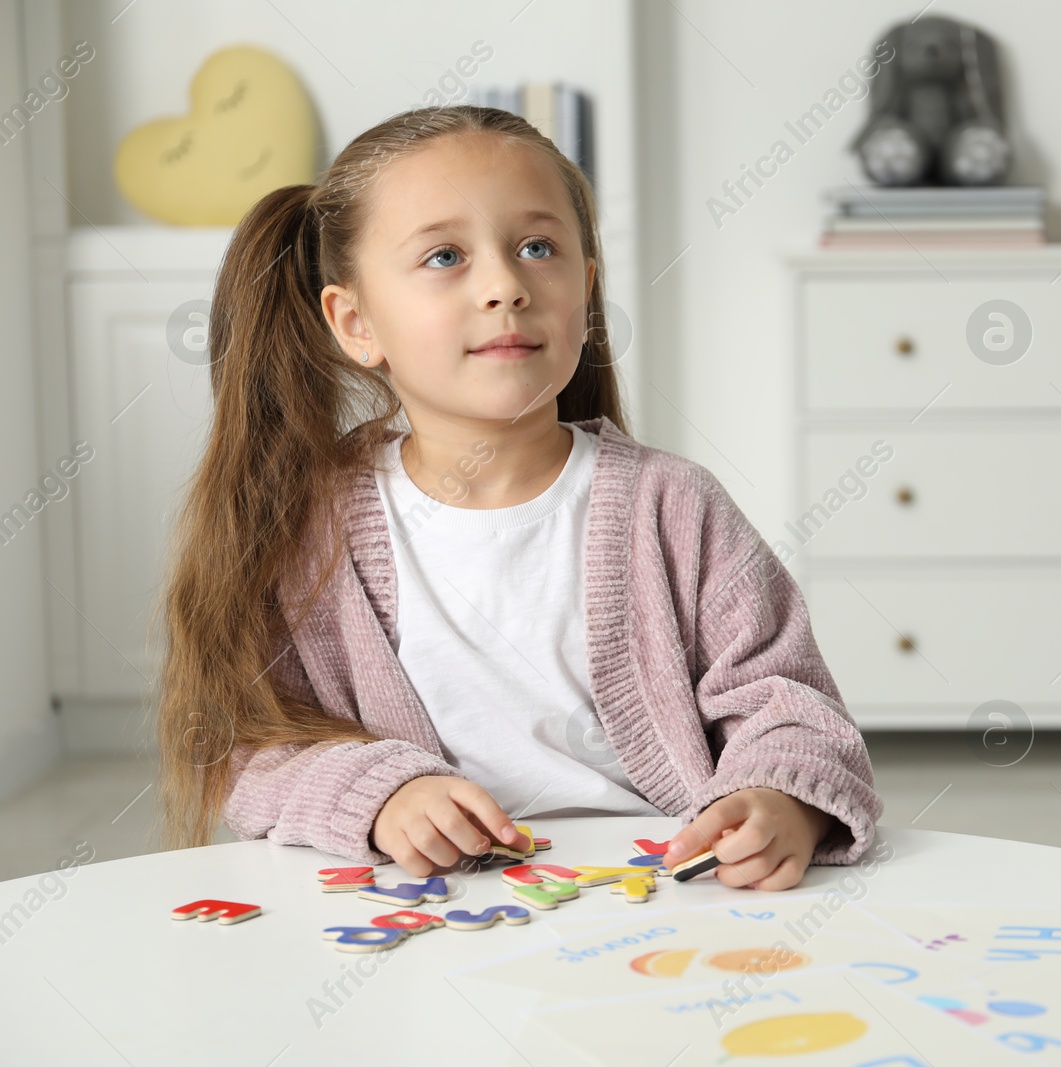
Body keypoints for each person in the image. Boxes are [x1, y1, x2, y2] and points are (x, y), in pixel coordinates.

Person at [151, 105, 882, 892]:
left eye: (538, 247)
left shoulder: (676, 506)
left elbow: (791, 707)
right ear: (357, 322)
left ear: (586, 289)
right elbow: (255, 750)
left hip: (663, 903)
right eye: (444, 256)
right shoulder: (310, 528)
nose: (505, 285)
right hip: (427, 916)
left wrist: (782, 800)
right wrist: (381, 795)